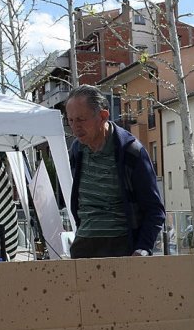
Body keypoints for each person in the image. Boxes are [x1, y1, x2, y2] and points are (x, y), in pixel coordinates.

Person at [64, 85, 164, 258]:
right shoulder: (77, 150)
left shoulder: (131, 152)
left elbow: (155, 210)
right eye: (70, 121)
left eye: (81, 119)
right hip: (82, 247)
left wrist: (142, 249)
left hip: (121, 248)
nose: (75, 128)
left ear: (103, 116)